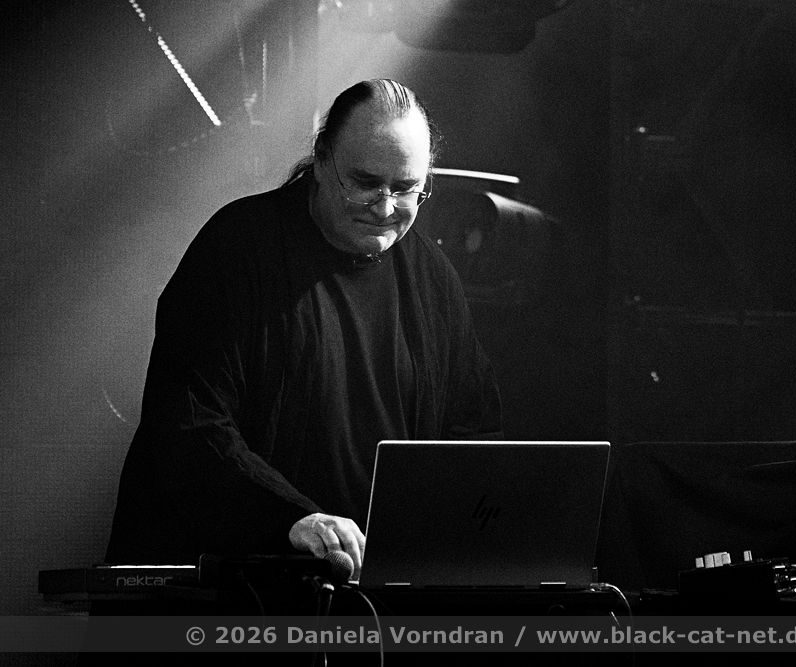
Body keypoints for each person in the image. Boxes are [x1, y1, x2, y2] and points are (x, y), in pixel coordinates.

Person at [104, 79, 504, 577]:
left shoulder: (432, 277)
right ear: (320, 159)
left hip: (370, 588)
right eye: (364, 183)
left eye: (406, 189)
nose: (385, 207)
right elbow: (188, 423)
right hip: (234, 588)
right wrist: (290, 518)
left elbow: (472, 431)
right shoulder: (237, 248)